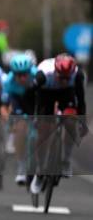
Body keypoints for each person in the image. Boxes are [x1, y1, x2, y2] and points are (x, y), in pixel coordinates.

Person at [30, 53, 87, 194]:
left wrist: (82, 122)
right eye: (61, 77)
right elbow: (32, 96)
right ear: (55, 71)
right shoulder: (43, 74)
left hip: (66, 94)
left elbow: (81, 99)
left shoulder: (77, 75)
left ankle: (66, 159)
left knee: (71, 121)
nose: (64, 80)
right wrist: (35, 117)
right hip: (46, 94)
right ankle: (39, 172)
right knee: (43, 132)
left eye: (67, 78)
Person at [0, 54, 37, 185]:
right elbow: (5, 106)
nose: (22, 78)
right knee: (20, 128)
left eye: (25, 74)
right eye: (18, 75)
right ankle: (21, 167)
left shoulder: (38, 76)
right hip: (19, 102)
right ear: (13, 74)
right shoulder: (8, 82)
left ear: (30, 72)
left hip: (36, 99)